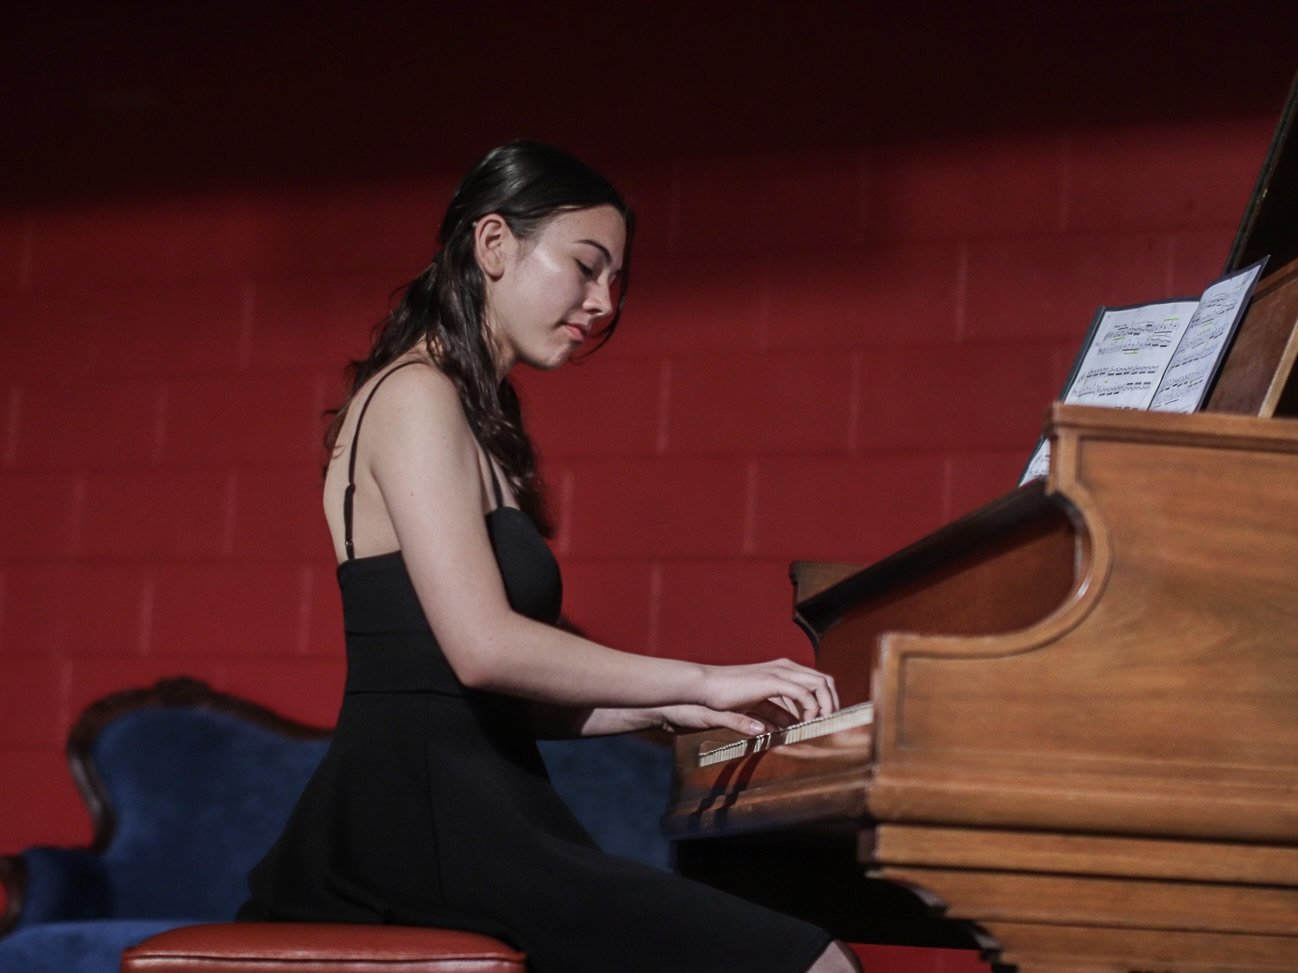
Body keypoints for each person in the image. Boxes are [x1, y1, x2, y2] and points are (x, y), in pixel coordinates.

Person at [237, 140, 862, 973]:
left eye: (617, 282)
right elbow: (484, 650)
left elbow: (501, 700)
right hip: (421, 821)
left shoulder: (475, 415)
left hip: (478, 811)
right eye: (585, 266)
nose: (603, 301)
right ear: (494, 245)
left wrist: (674, 710)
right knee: (811, 962)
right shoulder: (413, 394)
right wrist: (700, 677)